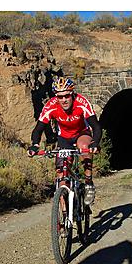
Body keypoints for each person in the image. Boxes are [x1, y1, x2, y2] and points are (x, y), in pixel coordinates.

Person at [27, 77, 102, 205]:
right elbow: (38, 128)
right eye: (60, 97)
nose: (64, 100)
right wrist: (34, 144)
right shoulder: (51, 105)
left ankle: (88, 182)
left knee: (84, 145)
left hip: (81, 133)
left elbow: (96, 126)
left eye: (67, 96)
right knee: (61, 177)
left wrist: (95, 142)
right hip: (64, 138)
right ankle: (62, 220)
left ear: (72, 94)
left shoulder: (81, 103)